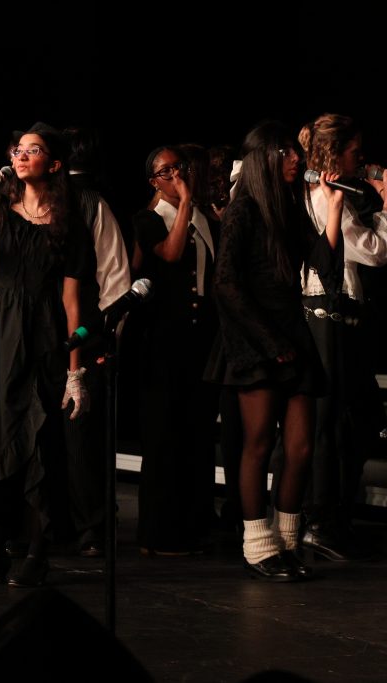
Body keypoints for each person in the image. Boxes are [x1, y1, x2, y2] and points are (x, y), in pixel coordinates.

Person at [0, 121, 91, 587]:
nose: (22, 155)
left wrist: (75, 372)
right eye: (18, 150)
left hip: (42, 332)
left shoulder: (69, 221)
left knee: (37, 439)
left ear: (55, 163)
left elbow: (72, 301)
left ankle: (37, 551)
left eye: (34, 150)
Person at [204, 121, 344, 581]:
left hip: (291, 335)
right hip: (255, 338)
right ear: (262, 158)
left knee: (300, 446)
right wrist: (269, 342)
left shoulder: (290, 208)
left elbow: (324, 266)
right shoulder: (243, 209)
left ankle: (286, 540)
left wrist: (335, 208)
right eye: (285, 152)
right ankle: (258, 545)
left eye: (294, 152)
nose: (296, 159)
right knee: (259, 443)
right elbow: (225, 284)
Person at [296, 113, 387, 560]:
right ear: (335, 153)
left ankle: (329, 517)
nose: (362, 159)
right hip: (329, 316)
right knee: (331, 422)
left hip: (341, 316)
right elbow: (374, 251)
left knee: (350, 421)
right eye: (355, 152)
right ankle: (320, 521)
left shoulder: (335, 195)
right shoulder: (324, 200)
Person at [132, 143, 219, 556]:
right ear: (155, 181)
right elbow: (171, 253)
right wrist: (183, 202)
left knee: (196, 432)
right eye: (167, 171)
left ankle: (195, 525)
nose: (178, 175)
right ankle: (159, 533)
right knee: (164, 434)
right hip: (164, 338)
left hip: (200, 337)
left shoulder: (205, 218)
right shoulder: (148, 220)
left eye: (180, 167)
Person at [61, 125, 130, 557]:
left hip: (75, 329)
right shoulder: (86, 201)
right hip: (76, 327)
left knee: (78, 428)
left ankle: (87, 525)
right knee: (77, 431)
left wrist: (104, 335)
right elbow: (115, 277)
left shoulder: (87, 202)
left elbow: (114, 277)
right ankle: (84, 525)